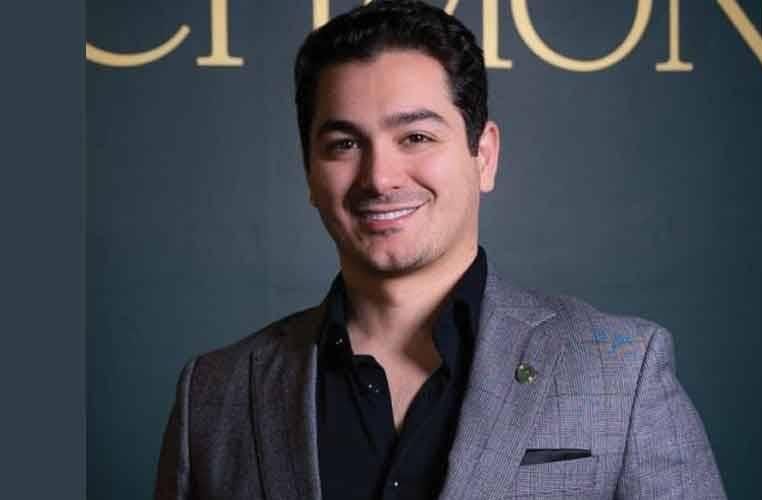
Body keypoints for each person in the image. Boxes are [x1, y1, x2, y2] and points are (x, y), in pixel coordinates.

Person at [154, 1, 727, 499]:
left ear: (484, 156)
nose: (380, 177)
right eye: (345, 143)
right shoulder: (216, 391)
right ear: (309, 171)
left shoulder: (621, 373)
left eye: (417, 137)